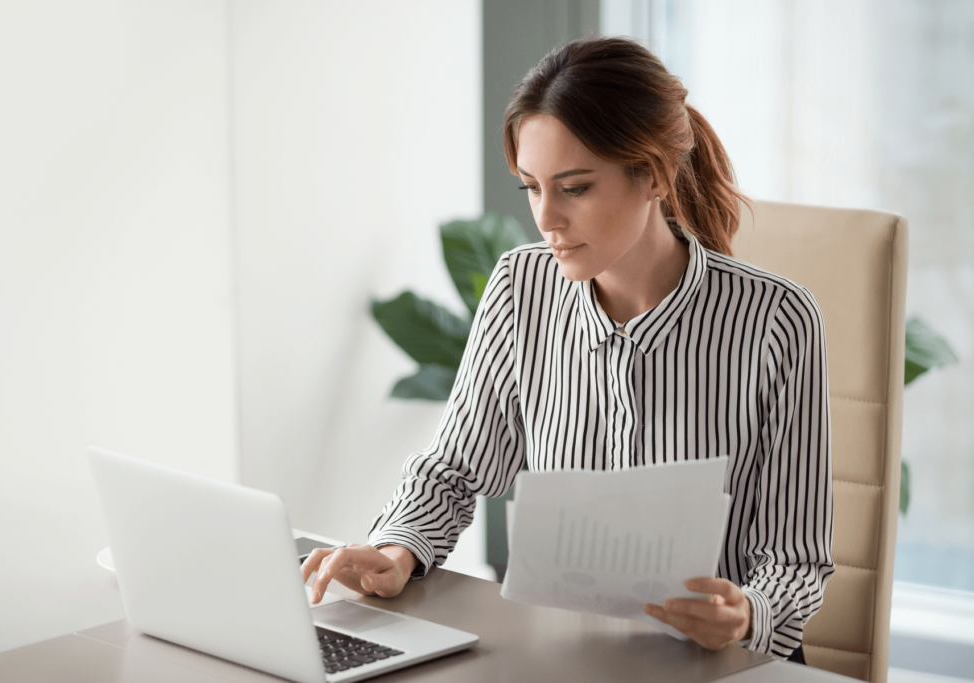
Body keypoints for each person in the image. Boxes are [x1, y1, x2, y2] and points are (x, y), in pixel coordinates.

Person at [302, 36, 833, 664]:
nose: (546, 218)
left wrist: (745, 615)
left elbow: (795, 558)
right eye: (532, 187)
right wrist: (397, 548)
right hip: (558, 657)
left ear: (655, 175)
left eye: (575, 188)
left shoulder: (777, 319)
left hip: (718, 665)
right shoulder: (520, 287)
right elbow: (454, 469)